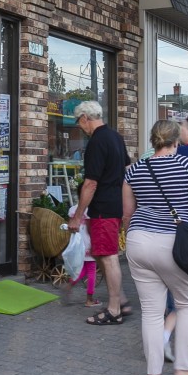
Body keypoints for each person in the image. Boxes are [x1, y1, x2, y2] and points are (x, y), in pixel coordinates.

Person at [122, 119, 188, 375]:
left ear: (153, 140)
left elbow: (127, 213)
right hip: (175, 243)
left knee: (151, 312)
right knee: (187, 305)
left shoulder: (133, 170)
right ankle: (184, 368)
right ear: (177, 141)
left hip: (138, 241)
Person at [68, 100, 132, 325]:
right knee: (101, 252)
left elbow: (90, 184)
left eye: (79, 122)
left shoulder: (96, 142)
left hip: (103, 207)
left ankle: (114, 310)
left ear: (85, 117)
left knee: (109, 256)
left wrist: (77, 216)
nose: (80, 127)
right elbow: (127, 171)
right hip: (113, 205)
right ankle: (121, 299)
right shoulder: (116, 137)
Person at [63, 203, 100, 307]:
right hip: (88, 242)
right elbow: (90, 229)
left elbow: (70, 227)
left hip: (77, 243)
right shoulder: (90, 210)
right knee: (92, 271)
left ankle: (69, 285)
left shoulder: (72, 209)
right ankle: (89, 299)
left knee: (82, 269)